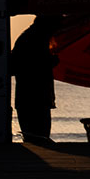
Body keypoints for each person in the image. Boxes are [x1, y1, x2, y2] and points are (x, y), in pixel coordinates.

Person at [10, 14, 61, 144]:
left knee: (37, 138)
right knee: (38, 138)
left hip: (32, 98)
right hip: (33, 98)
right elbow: (23, 65)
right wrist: (51, 61)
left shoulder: (32, 38)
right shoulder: (34, 39)